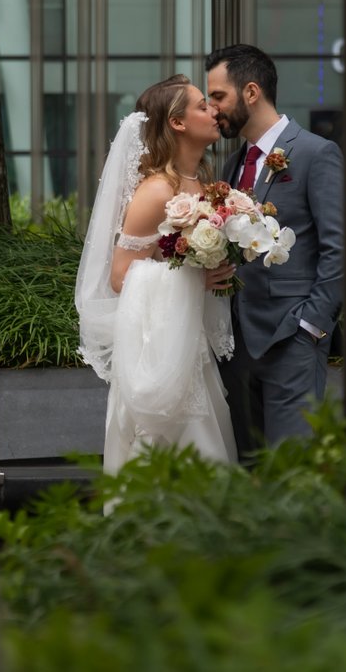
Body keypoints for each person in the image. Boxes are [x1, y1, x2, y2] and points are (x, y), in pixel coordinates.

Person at [75, 75, 237, 474]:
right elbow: (119, 276)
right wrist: (191, 280)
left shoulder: (206, 184)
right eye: (202, 105)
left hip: (191, 344)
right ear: (177, 122)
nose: (213, 111)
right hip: (159, 351)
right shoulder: (157, 191)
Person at [205, 44, 343, 461]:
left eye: (218, 96)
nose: (213, 110)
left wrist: (311, 327)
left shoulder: (317, 154)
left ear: (250, 92)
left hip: (292, 343)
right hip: (237, 349)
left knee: (291, 471)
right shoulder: (233, 165)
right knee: (249, 470)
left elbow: (340, 250)